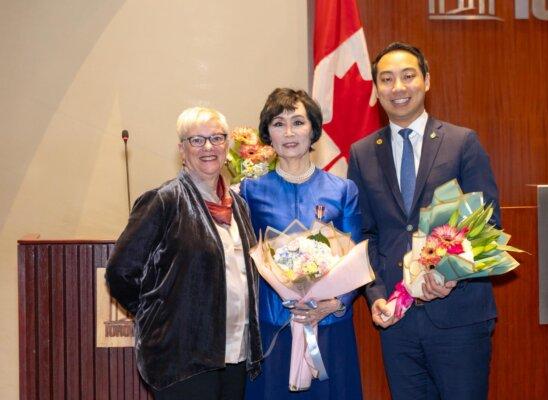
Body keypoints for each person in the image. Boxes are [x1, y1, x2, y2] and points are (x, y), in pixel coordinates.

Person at [347, 42, 500, 400]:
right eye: (386, 79)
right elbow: (364, 233)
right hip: (397, 320)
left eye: (407, 76)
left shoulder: (462, 143)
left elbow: (487, 224)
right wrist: (375, 295)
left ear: (427, 81)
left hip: (458, 315)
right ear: (376, 89)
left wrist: (447, 275)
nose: (397, 88)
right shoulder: (363, 152)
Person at [106, 107, 262, 400]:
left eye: (216, 138)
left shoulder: (238, 206)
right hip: (183, 357)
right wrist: (159, 316)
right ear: (182, 149)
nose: (208, 147)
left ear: (227, 145)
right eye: (197, 140)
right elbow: (120, 271)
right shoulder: (164, 200)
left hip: (235, 354)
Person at [241, 88, 363, 400]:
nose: (289, 132)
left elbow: (357, 259)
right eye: (279, 124)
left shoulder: (342, 190)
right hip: (274, 327)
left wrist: (334, 304)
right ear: (268, 134)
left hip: (330, 326)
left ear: (314, 129)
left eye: (298, 122)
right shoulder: (249, 192)